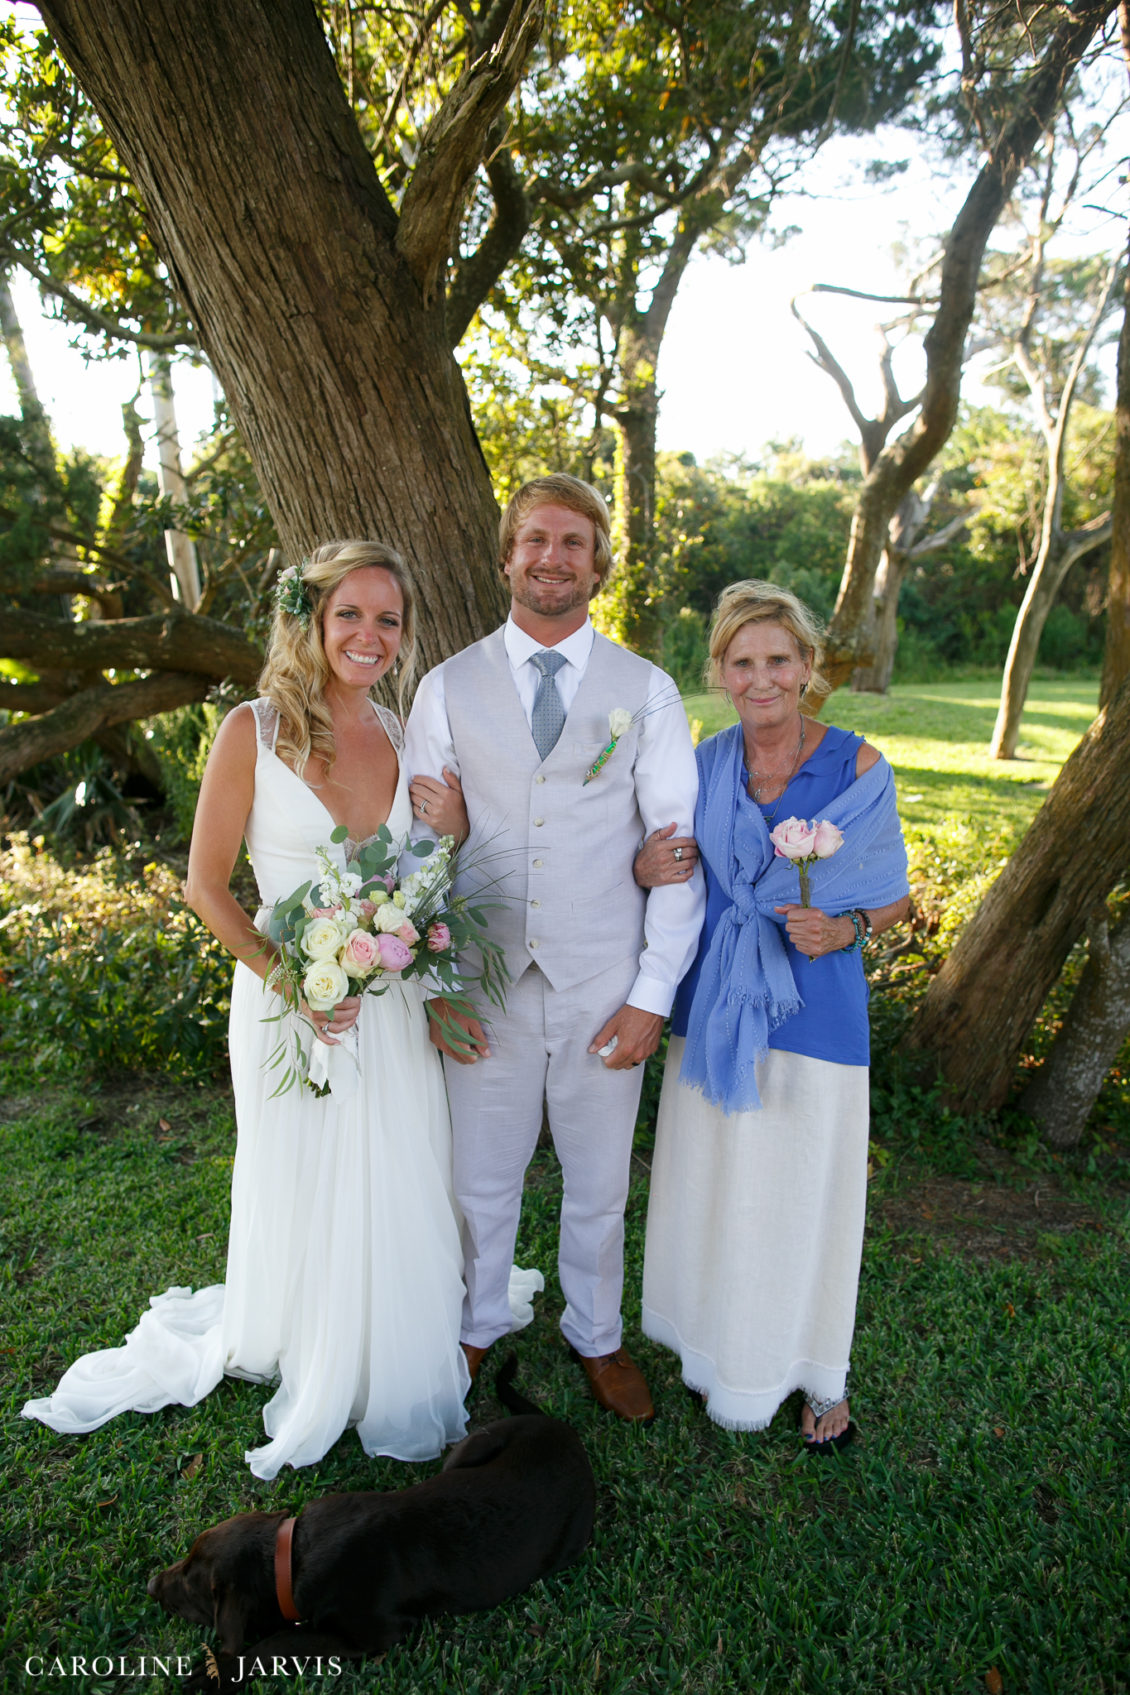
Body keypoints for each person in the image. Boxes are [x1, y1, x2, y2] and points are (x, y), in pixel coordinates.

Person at [23, 542, 476, 1478]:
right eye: (350, 613)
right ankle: (308, 1337)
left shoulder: (398, 732)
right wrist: (296, 984)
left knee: (394, 1167)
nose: (369, 635)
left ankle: (384, 1342)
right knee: (304, 1171)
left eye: (388, 619)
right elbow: (205, 886)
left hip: (383, 1002)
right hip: (286, 1000)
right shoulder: (252, 730)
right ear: (309, 617)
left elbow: (411, 876)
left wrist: (449, 841)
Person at [403, 474, 703, 1421]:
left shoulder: (646, 692)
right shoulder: (444, 686)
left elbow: (678, 850)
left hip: (602, 977)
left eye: (573, 543)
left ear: (598, 566)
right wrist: (432, 986)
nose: (552, 557)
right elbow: (411, 850)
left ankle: (596, 1334)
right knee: (479, 1176)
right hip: (482, 977)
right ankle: (477, 1316)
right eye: (535, 540)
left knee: (600, 1181)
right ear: (506, 557)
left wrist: (654, 991)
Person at [636, 580, 909, 1450]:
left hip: (817, 1012)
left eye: (778, 660)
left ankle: (816, 1375)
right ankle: (714, 1350)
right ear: (719, 670)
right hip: (713, 1013)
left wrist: (848, 924)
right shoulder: (704, 764)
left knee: (803, 1198)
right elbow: (661, 868)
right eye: (742, 662)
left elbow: (896, 897)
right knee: (715, 1190)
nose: (762, 679)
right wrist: (646, 866)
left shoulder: (859, 766)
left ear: (807, 667)